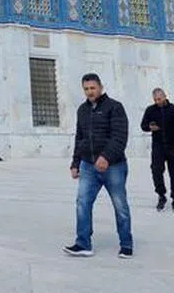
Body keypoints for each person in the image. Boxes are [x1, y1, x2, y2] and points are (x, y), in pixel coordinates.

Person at [64, 74, 132, 260]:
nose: (90, 92)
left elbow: (120, 136)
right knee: (82, 203)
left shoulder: (115, 107)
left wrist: (106, 157)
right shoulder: (82, 110)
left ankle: (126, 244)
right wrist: (76, 162)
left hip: (114, 166)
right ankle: (83, 243)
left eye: (93, 88)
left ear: (101, 87)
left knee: (120, 205)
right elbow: (80, 138)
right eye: (86, 89)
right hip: (88, 165)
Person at [139, 87, 174, 212]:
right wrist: (150, 127)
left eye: (159, 99)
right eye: (155, 99)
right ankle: (161, 195)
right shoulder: (150, 110)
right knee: (156, 170)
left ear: (165, 96)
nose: (157, 101)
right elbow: (143, 125)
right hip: (158, 146)